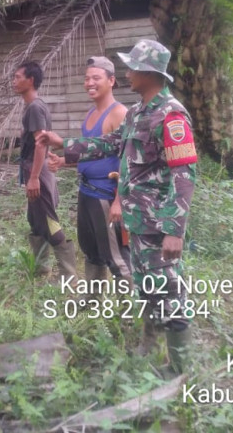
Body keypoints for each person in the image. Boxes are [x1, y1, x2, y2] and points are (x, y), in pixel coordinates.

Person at [36, 40, 197, 373]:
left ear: (148, 73)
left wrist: (174, 230)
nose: (127, 73)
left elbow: (183, 175)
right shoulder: (137, 112)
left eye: (132, 67)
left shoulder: (171, 115)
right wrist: (64, 144)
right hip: (138, 222)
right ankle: (150, 347)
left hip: (159, 224)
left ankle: (181, 369)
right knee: (148, 288)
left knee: (169, 292)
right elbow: (108, 143)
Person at [47, 56, 132, 289]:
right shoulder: (91, 113)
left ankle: (129, 307)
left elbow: (127, 160)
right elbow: (93, 152)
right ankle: (92, 301)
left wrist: (119, 201)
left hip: (106, 195)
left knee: (116, 256)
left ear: (111, 81)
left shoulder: (119, 113)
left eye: (96, 78)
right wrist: (63, 161)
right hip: (86, 192)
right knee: (91, 251)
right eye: (86, 79)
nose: (89, 83)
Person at [12, 60, 77, 282]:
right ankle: (41, 270)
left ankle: (69, 277)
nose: (14, 81)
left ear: (30, 80)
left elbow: (41, 143)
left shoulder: (35, 107)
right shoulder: (33, 106)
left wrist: (33, 178)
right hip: (35, 170)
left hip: (37, 172)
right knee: (36, 220)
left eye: (18, 77)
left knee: (49, 220)